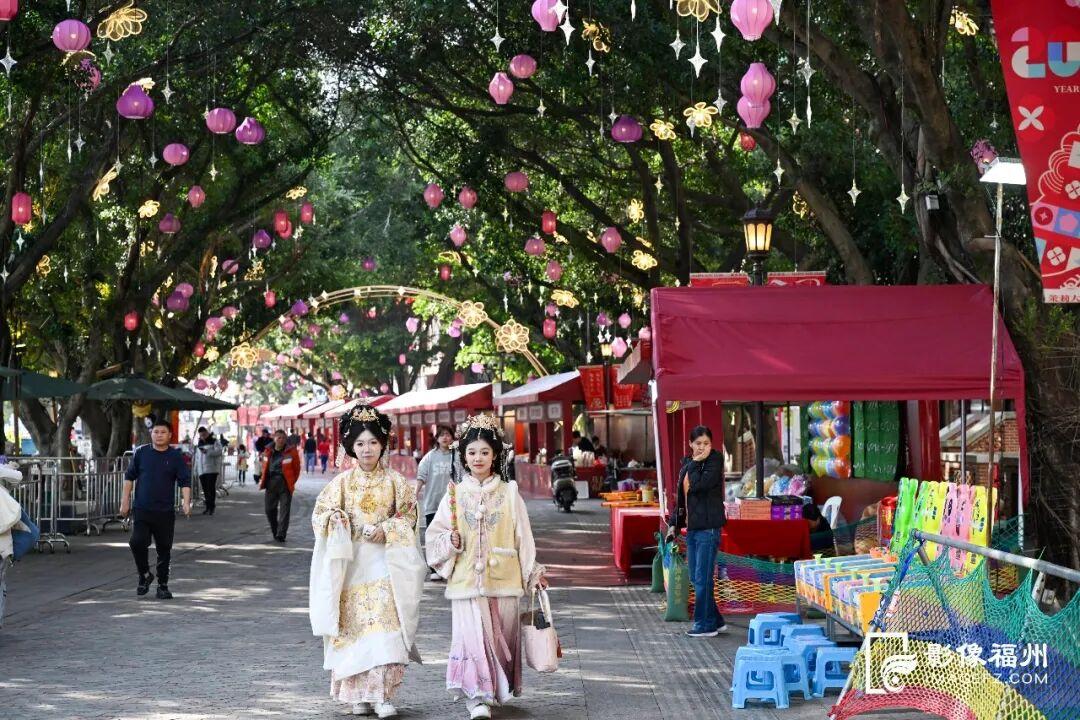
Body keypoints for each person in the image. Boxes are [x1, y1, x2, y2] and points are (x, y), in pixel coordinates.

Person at [426, 415, 548, 720]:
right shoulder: (454, 494)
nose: (477, 458)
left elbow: (524, 536)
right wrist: (450, 542)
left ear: (495, 455)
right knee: (471, 637)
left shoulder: (510, 493)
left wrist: (532, 572)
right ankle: (476, 695)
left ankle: (492, 690)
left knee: (500, 637)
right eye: (471, 452)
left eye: (484, 452)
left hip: (504, 579)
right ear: (463, 456)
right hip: (466, 581)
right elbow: (435, 535)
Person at [309, 406, 425, 719]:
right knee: (355, 631)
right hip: (351, 564)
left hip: (386, 563)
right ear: (351, 448)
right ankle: (358, 696)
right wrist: (336, 518)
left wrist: (387, 528)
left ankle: (382, 695)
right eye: (360, 444)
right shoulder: (342, 484)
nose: (367, 449)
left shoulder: (397, 483)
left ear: (382, 444)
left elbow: (409, 517)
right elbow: (320, 514)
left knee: (386, 628)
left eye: (373, 442)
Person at [120, 419, 192, 600]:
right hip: (142, 509)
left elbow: (184, 481)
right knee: (137, 542)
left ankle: (162, 585)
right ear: (151, 434)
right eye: (155, 432)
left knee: (164, 548)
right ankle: (144, 574)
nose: (159, 435)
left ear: (170, 435)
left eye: (162, 432)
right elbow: (129, 478)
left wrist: (186, 502)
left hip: (165, 511)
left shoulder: (175, 456)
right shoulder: (141, 453)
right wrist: (125, 501)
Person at [667, 425, 727, 638]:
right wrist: (673, 524)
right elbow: (681, 500)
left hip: (708, 529)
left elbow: (699, 486)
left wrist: (695, 463)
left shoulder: (714, 461)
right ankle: (716, 620)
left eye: (706, 443)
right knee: (697, 577)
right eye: (698, 443)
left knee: (702, 577)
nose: (702, 447)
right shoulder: (688, 464)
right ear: (690, 444)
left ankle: (705, 625)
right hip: (692, 529)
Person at [415, 426, 461, 581]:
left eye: (448, 435)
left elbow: (463, 477)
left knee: (452, 536)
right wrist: (414, 494)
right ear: (437, 438)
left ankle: (449, 566)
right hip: (433, 503)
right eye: (441, 435)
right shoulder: (430, 457)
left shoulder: (457, 456)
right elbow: (421, 476)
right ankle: (434, 567)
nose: (445, 438)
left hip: (452, 504)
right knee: (433, 536)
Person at [259, 429, 300, 542]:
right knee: (269, 509)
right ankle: (275, 529)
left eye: (283, 438)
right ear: (274, 438)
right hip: (271, 483)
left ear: (285, 439)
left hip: (285, 483)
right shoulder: (268, 450)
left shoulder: (291, 451)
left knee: (284, 510)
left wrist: (291, 481)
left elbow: (297, 469)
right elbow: (264, 466)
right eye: (278, 438)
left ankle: (281, 534)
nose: (281, 440)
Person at [193, 427, 224, 516]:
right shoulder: (199, 443)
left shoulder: (214, 441)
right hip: (201, 470)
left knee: (210, 488)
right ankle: (207, 507)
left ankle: (212, 507)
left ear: (207, 433)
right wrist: (196, 469)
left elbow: (219, 451)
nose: (203, 437)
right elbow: (197, 458)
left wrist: (208, 451)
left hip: (211, 469)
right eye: (201, 435)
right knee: (205, 489)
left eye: (204, 434)